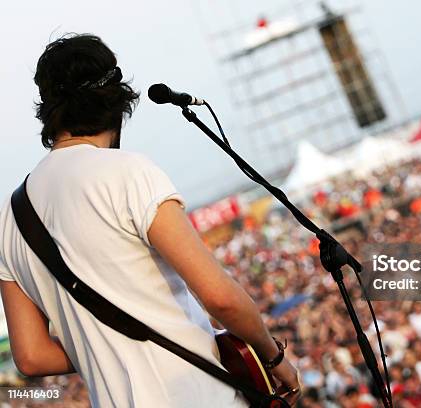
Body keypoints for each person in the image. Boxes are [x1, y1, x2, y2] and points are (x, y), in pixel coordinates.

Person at [0, 34, 300, 407]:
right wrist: (273, 356)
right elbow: (221, 298)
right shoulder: (127, 172)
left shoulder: (9, 217)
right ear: (117, 99)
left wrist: (104, 350)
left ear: (48, 108)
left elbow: (30, 356)